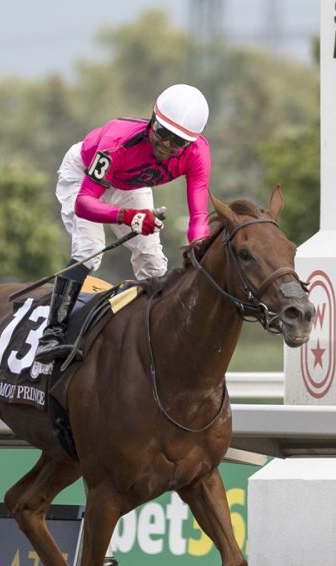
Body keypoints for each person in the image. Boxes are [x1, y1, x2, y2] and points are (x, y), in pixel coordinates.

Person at [34, 83, 212, 363]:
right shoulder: (117, 142)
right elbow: (85, 202)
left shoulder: (199, 155)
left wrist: (200, 247)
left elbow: (199, 216)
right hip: (84, 176)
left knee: (154, 262)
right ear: (152, 121)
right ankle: (52, 334)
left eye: (176, 142)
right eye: (162, 133)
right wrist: (129, 217)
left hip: (130, 183)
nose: (165, 144)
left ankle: (156, 333)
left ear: (189, 144)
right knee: (90, 252)